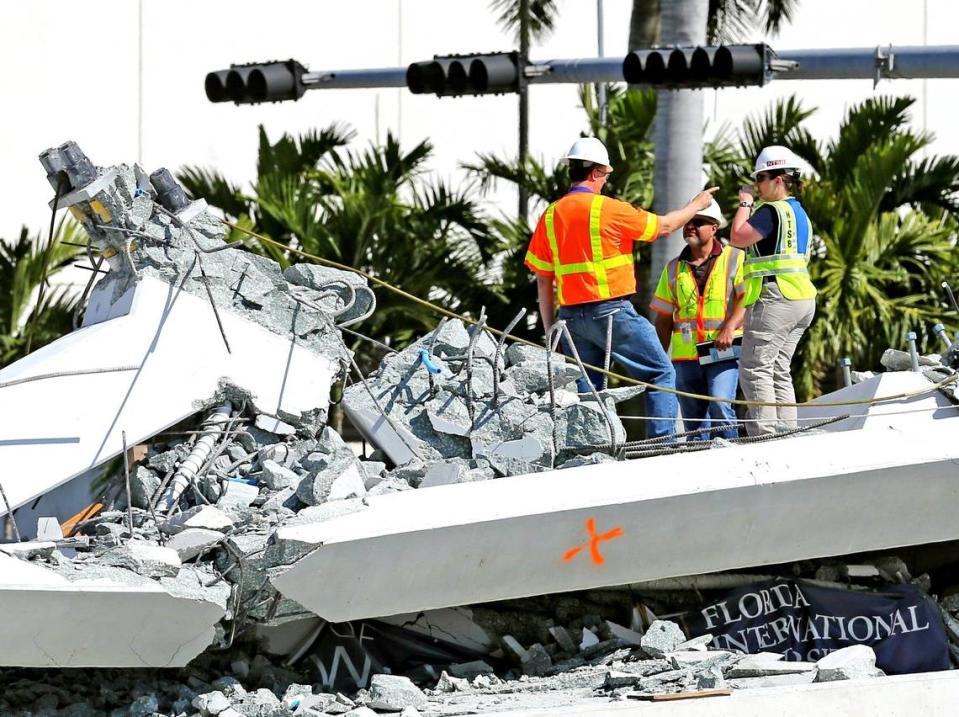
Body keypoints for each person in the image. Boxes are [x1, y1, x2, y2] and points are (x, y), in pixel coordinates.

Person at [524, 136, 719, 439]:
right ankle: (660, 446)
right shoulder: (609, 210)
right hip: (612, 312)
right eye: (605, 175)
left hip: (571, 319)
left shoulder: (551, 215)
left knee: (588, 388)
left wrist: (552, 332)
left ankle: (591, 450)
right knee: (659, 373)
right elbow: (665, 226)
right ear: (596, 173)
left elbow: (543, 280)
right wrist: (697, 205)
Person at [729, 145, 817, 436]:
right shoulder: (800, 213)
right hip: (801, 299)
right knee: (778, 368)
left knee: (755, 368)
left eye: (761, 178)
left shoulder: (771, 211)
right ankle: (787, 432)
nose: (756, 186)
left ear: (779, 179)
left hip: (776, 298)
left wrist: (745, 203)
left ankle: (765, 436)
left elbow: (738, 238)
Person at [650, 199, 745, 439]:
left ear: (714, 228)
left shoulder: (735, 258)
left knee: (721, 406)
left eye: (699, 222)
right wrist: (660, 359)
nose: (691, 227)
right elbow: (663, 318)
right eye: (688, 222)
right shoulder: (673, 268)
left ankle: (730, 462)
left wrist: (730, 327)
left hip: (722, 350)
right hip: (686, 357)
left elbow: (747, 299)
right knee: (694, 424)